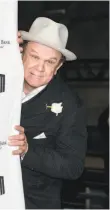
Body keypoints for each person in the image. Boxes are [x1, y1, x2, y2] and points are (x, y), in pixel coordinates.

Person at [8, 17, 87, 209]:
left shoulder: (69, 103)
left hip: (35, 203)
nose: (40, 68)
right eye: (34, 57)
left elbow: (73, 166)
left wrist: (28, 151)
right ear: (21, 54)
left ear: (58, 66)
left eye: (50, 62)